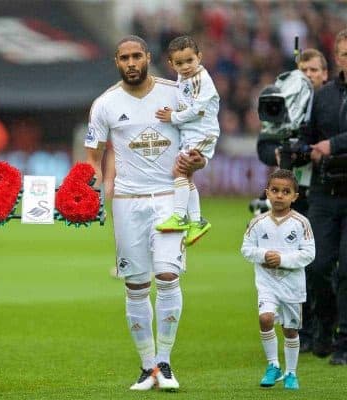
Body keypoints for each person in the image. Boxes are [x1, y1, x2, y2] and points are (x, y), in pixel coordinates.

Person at [85, 35, 206, 391]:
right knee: (136, 285)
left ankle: (165, 363)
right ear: (117, 62)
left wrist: (198, 161)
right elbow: (93, 155)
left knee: (168, 276)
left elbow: (199, 138)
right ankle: (147, 367)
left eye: (137, 55)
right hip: (127, 201)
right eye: (125, 57)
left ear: (149, 58)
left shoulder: (175, 93)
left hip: (170, 196)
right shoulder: (105, 104)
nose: (132, 62)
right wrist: (95, 190)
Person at [256, 48, 328, 354]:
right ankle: (302, 329)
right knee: (291, 266)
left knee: (320, 265)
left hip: (323, 191)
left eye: (313, 70)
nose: (308, 75)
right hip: (291, 198)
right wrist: (276, 154)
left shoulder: (330, 105)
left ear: (325, 73)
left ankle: (324, 326)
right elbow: (263, 144)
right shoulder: (283, 104)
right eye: (303, 70)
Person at [241, 169, 315, 390]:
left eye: (286, 191)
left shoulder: (301, 223)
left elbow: (309, 254)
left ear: (295, 196)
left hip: (292, 286)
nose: (279, 195)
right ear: (267, 193)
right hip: (267, 284)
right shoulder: (258, 222)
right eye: (275, 190)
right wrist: (263, 255)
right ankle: (272, 365)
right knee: (265, 319)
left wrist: (281, 258)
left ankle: (291, 373)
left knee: (290, 330)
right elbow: (245, 249)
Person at [304, 28, 347, 365]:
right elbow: (309, 136)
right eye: (345, 54)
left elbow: (328, 141)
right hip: (324, 191)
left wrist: (334, 145)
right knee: (317, 266)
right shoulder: (323, 96)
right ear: (337, 57)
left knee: (346, 268)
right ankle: (325, 324)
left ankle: (344, 340)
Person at [154, 35, 220, 246]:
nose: (185, 66)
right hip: (191, 133)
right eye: (179, 63)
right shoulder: (182, 79)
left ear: (199, 57)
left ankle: (181, 216)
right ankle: (197, 221)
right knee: (185, 174)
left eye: (189, 60)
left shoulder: (202, 79)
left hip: (203, 132)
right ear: (171, 64)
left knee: (180, 171)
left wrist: (173, 117)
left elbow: (198, 110)